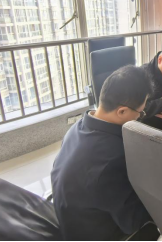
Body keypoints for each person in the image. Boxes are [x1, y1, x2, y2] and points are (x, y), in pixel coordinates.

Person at [51, 66, 156, 241]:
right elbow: (134, 221)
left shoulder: (76, 127)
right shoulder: (113, 158)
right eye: (140, 112)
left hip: (71, 217)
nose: (140, 117)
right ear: (122, 111)